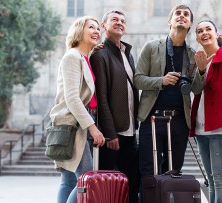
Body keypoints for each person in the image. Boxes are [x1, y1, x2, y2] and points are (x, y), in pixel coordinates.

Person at [134, 4, 204, 201]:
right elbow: (138, 79)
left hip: (179, 121)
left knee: (173, 172)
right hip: (152, 118)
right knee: (149, 171)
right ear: (170, 21)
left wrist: (201, 70)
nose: (181, 17)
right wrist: (161, 81)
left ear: (190, 24)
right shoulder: (151, 47)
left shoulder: (192, 55)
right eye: (178, 14)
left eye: (186, 15)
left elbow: (196, 89)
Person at [49, 16, 106, 203]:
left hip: (78, 121)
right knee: (87, 179)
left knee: (68, 181)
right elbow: (72, 97)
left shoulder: (82, 57)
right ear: (79, 31)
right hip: (74, 124)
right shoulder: (72, 57)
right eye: (91, 27)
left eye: (98, 28)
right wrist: (92, 127)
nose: (97, 31)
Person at [89, 10, 140, 203]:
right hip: (113, 135)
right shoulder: (100, 54)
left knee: (132, 183)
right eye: (114, 20)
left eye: (123, 21)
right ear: (104, 26)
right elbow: (101, 97)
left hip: (129, 131)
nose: (119, 23)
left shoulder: (127, 53)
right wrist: (110, 133)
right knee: (109, 189)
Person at [189, 20, 222, 203]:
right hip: (203, 126)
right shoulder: (200, 59)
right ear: (196, 37)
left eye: (208, 29)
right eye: (200, 30)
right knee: (210, 180)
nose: (204, 32)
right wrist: (201, 69)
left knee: (219, 178)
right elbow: (196, 90)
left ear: (216, 34)